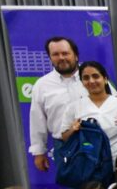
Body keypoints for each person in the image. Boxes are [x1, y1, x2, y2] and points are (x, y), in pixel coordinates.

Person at [58, 61, 117, 163]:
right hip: (88, 165)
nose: (91, 81)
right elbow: (65, 137)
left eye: (95, 76)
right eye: (86, 78)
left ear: (105, 79)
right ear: (82, 82)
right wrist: (73, 130)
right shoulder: (74, 108)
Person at [29, 36, 83, 172]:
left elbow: (114, 101)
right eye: (55, 54)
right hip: (64, 145)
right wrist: (39, 151)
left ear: (75, 55)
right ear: (50, 58)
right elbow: (37, 120)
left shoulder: (92, 75)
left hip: (97, 140)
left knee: (107, 187)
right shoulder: (42, 85)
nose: (61, 58)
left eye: (65, 53)